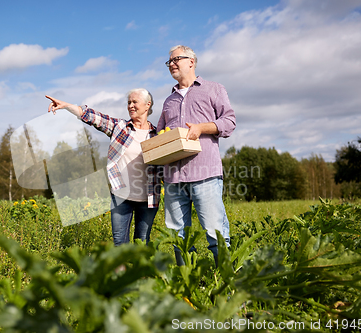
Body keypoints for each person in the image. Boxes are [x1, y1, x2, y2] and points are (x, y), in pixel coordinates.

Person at [46, 89, 161, 246]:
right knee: (120, 244)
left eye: (135, 102)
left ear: (147, 105)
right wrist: (66, 106)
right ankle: (122, 271)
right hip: (121, 196)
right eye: (129, 102)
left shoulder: (158, 135)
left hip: (147, 198)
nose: (130, 106)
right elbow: (93, 117)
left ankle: (141, 271)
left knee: (143, 243)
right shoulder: (120, 127)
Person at [157, 45, 236, 266]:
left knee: (216, 234)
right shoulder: (168, 101)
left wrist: (201, 128)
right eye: (169, 61)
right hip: (173, 178)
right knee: (178, 238)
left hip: (205, 174)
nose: (171, 64)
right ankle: (188, 291)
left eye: (176, 59)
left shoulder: (213, 89)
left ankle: (229, 289)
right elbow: (159, 134)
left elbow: (229, 123)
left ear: (191, 61)